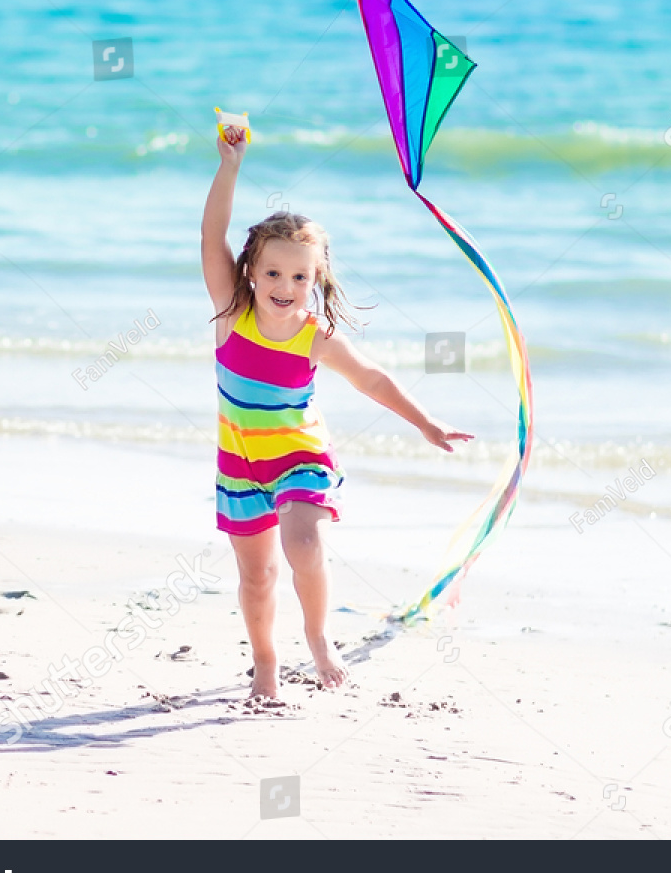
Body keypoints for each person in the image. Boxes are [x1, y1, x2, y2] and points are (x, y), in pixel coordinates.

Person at [201, 125, 473, 698]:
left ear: (315, 278)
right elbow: (211, 236)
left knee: (302, 545)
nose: (285, 285)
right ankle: (267, 661)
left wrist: (425, 421)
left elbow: (374, 379)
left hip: (301, 457)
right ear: (251, 269)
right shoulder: (231, 311)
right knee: (257, 576)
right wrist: (230, 166)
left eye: (300, 276)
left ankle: (319, 638)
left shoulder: (315, 334)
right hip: (241, 464)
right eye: (273, 272)